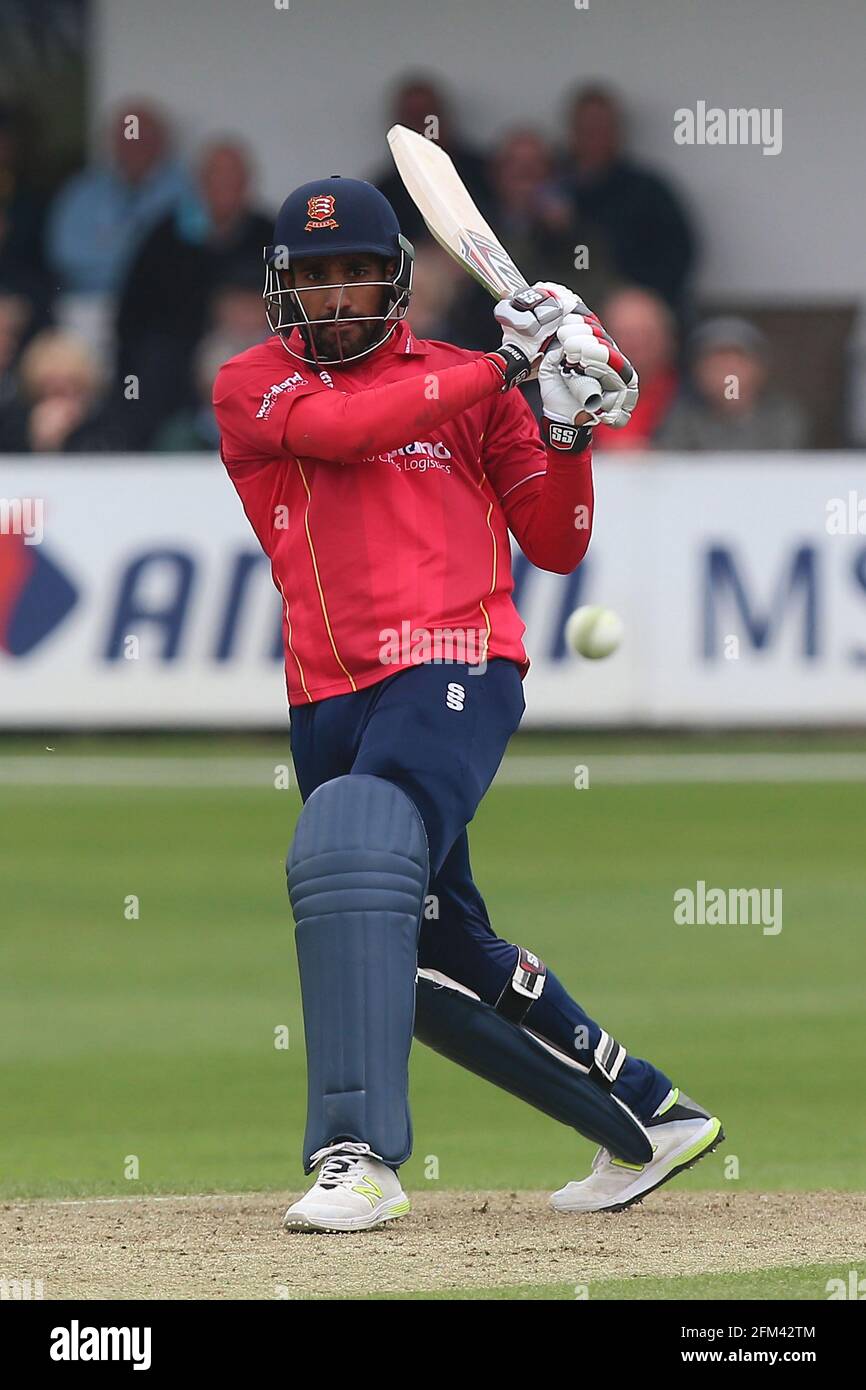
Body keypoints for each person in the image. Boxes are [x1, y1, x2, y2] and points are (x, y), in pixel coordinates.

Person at [213, 176, 723, 1232]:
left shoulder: (466, 382)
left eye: (356, 272)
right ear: (283, 291)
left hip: (455, 659)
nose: (337, 295)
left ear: (393, 282)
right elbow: (355, 430)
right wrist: (511, 363)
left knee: (352, 858)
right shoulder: (253, 384)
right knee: (427, 939)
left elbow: (553, 540)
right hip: (326, 690)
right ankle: (647, 1114)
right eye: (314, 278)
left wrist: (570, 431)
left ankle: (357, 1157)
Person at [115, 139, 272, 445]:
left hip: (254, 348)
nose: (225, 188)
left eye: (233, 179)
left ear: (247, 185)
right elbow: (133, 314)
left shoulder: (269, 233)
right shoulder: (164, 235)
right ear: (200, 183)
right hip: (174, 358)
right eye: (216, 178)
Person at [551, 85, 696, 313]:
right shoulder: (551, 184)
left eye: (601, 128)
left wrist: (643, 299)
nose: (593, 138)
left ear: (617, 132)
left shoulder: (647, 190)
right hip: (560, 311)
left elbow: (678, 255)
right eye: (586, 128)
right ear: (572, 131)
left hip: (632, 310)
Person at [46, 102, 190, 296]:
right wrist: (137, 258)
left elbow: (189, 255)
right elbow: (67, 254)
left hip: (164, 302)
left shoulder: (187, 191)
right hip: (91, 302)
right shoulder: (82, 192)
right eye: (128, 138)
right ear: (113, 142)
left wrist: (109, 248)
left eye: (144, 139)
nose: (135, 147)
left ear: (162, 142)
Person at [657, 316, 808, 451]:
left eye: (737, 362)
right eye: (716, 363)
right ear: (698, 371)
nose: (727, 372)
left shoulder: (781, 416)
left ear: (759, 368)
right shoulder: (682, 416)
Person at [593, 286, 680, 452]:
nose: (636, 345)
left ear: (669, 340)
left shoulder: (693, 399)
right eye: (624, 335)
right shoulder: (564, 396)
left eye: (646, 335)